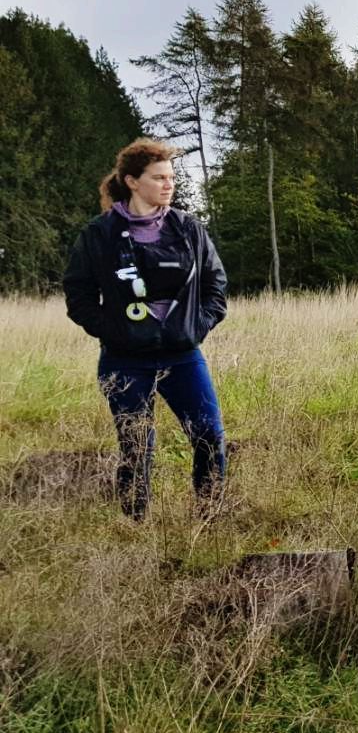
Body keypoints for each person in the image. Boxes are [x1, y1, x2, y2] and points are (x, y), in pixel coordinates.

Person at [62, 138, 229, 522]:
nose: (168, 185)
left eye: (171, 178)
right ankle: (135, 524)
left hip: (183, 355)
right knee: (137, 446)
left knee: (209, 436)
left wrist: (196, 327)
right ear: (132, 181)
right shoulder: (100, 234)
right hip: (124, 359)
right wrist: (114, 330)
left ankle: (209, 518)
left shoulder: (188, 229)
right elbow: (78, 292)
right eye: (158, 178)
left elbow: (215, 285)